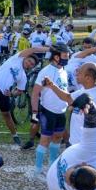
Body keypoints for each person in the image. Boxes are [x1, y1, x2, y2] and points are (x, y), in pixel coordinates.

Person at [0, 45, 49, 146]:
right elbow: (33, 49)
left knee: (7, 115)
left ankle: (15, 135)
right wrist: (49, 49)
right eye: (29, 61)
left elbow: (20, 91)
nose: (29, 64)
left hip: (4, 93)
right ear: (25, 58)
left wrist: (12, 93)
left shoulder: (23, 76)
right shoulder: (16, 59)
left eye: (32, 64)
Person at [29, 43, 70, 179]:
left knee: (57, 138)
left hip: (61, 112)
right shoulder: (45, 71)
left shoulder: (64, 70)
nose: (67, 59)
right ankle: (37, 170)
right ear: (56, 57)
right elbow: (35, 93)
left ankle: (52, 167)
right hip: (48, 111)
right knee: (44, 141)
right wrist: (35, 112)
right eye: (65, 56)